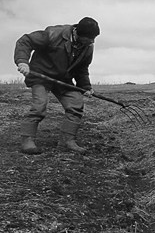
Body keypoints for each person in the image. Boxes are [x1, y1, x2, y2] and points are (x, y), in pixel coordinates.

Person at [14, 17, 101, 155]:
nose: (92, 41)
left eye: (94, 38)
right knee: (39, 105)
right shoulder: (53, 34)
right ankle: (27, 141)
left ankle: (67, 141)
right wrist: (22, 61)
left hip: (63, 79)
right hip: (41, 75)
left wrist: (85, 87)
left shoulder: (87, 46)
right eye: (90, 38)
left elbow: (82, 69)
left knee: (76, 104)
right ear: (78, 33)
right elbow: (25, 41)